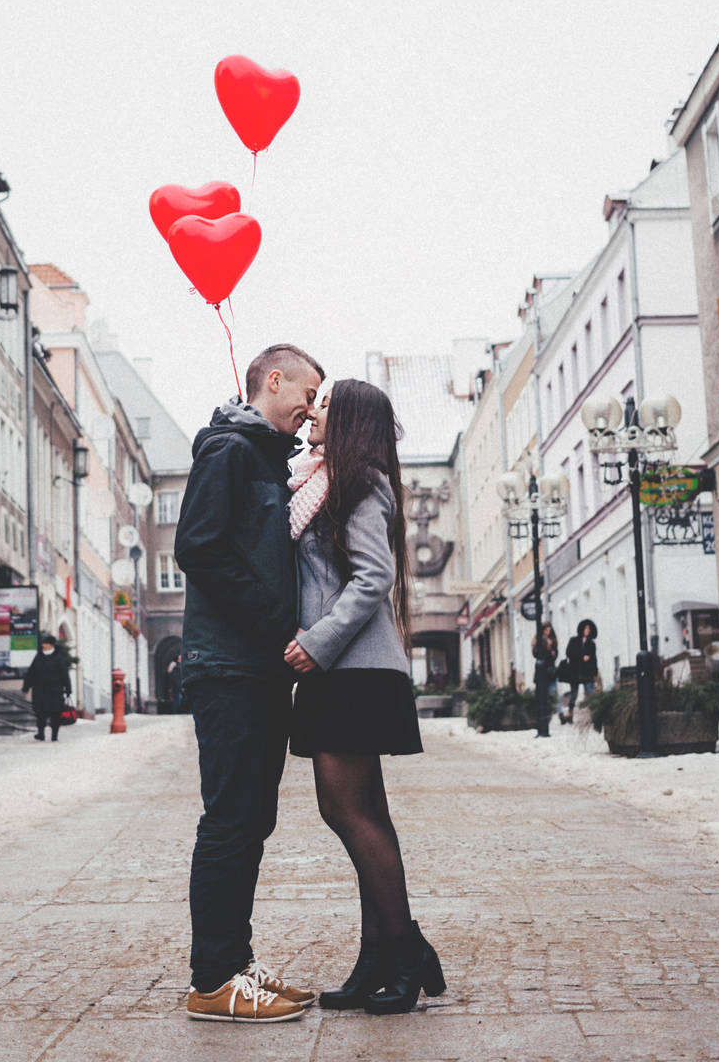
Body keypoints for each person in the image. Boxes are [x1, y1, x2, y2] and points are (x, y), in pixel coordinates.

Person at [284, 379, 443, 1015]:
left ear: (348, 420)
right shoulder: (317, 482)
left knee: (348, 813)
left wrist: (317, 642)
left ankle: (401, 950)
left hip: (352, 668)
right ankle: (382, 953)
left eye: (324, 406)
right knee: (363, 814)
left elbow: (373, 576)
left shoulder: (363, 483)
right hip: (339, 669)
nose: (312, 413)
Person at [175, 344, 323, 1023]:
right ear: (273, 379)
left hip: (257, 667)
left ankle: (237, 964)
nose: (311, 409)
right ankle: (213, 979)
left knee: (251, 820)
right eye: (307, 392)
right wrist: (277, 624)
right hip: (229, 665)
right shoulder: (230, 452)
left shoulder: (266, 459)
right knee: (232, 819)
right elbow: (199, 548)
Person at [22, 635, 71, 741]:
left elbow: (64, 675)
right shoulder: (38, 657)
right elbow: (31, 673)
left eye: (45, 643)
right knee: (40, 713)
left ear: (51, 645)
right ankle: (41, 734)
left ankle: (54, 736)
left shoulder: (59, 658)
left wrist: (68, 689)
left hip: (55, 691)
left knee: (55, 714)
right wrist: (26, 687)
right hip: (40, 690)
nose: (43, 645)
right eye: (43, 643)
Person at [563, 619, 601, 716]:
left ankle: (591, 713)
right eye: (586, 628)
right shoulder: (574, 640)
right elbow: (568, 653)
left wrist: (595, 672)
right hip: (575, 671)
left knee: (589, 693)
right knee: (573, 694)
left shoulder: (591, 643)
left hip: (587, 672)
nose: (587, 630)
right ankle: (570, 712)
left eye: (589, 629)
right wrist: (581, 657)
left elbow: (594, 659)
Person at [531, 623, 559, 738]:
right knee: (542, 696)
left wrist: (551, 652)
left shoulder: (553, 641)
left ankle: (557, 713)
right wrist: (549, 652)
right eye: (546, 630)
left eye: (549, 630)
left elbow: (554, 654)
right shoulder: (539, 641)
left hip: (550, 671)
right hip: (542, 672)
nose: (548, 632)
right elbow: (538, 654)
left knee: (553, 692)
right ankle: (545, 722)